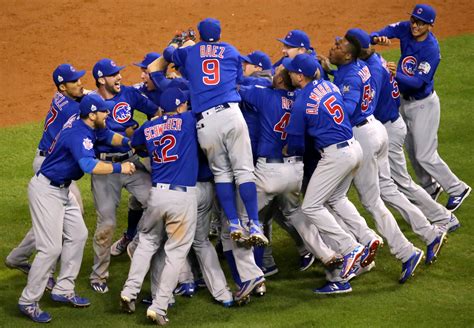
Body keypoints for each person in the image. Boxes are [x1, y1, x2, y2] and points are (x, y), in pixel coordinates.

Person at [18, 94, 136, 323]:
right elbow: (88, 165)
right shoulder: (78, 133)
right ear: (92, 115)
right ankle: (28, 300)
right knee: (50, 249)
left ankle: (63, 289)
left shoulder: (88, 123)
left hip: (62, 190)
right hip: (46, 191)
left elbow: (107, 135)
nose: (108, 114)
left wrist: (128, 142)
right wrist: (120, 167)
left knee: (78, 234)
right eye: (104, 111)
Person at [321, 33, 424, 283]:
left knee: (371, 201)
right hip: (376, 129)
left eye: (338, 47)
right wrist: (329, 74)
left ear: (348, 55)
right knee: (353, 196)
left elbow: (346, 109)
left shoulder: (351, 77)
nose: (332, 48)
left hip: (362, 135)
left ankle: (405, 251)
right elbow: (347, 82)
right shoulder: (359, 67)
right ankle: (359, 247)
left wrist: (324, 94)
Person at [344, 28, 447, 264]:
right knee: (389, 189)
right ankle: (431, 233)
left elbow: (358, 105)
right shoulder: (374, 63)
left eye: (344, 46)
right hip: (382, 129)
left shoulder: (371, 70)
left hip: (379, 130)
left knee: (386, 191)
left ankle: (420, 239)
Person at [162, 18, 267, 248]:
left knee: (221, 174)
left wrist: (181, 44)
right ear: (219, 34)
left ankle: (234, 224)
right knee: (244, 172)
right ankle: (255, 224)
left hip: (206, 123)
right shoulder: (231, 51)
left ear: (199, 34)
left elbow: (168, 53)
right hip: (231, 115)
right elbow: (238, 80)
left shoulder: (191, 52)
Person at [283, 54, 374, 294]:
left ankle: (350, 247)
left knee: (311, 207)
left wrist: (286, 149)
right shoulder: (329, 85)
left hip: (335, 155)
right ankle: (367, 237)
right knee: (336, 199)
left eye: (292, 71)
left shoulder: (302, 101)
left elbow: (295, 143)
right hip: (354, 147)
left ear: (300, 76)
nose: (289, 74)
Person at [371, 4, 471, 211]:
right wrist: (377, 38)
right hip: (404, 101)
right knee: (411, 150)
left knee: (425, 154)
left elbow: (417, 83)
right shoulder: (406, 29)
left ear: (430, 26)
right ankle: (429, 188)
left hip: (424, 106)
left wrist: (394, 73)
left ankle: (457, 188)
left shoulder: (431, 50)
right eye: (414, 20)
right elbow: (385, 31)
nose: (415, 25)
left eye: (421, 23)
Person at [120, 87, 200, 326]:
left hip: (157, 195)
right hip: (182, 197)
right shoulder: (188, 120)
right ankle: (160, 305)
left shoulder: (149, 126)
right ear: (180, 106)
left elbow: (136, 143)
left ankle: (129, 291)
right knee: (175, 253)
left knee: (146, 243)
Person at [5, 64, 86, 290]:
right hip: (50, 164)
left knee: (54, 220)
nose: (80, 82)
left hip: (49, 159)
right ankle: (45, 272)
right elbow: (95, 112)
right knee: (64, 219)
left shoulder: (61, 98)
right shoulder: (72, 109)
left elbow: (83, 97)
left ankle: (18, 258)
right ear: (62, 86)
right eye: (75, 81)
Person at [89, 58, 158, 293]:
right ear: (101, 80)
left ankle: (135, 240)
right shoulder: (91, 103)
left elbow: (156, 112)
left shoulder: (129, 94)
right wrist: (128, 131)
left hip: (131, 162)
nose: (119, 77)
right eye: (113, 74)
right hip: (105, 169)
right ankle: (98, 275)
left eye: (118, 73)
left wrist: (143, 131)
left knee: (158, 202)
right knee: (106, 223)